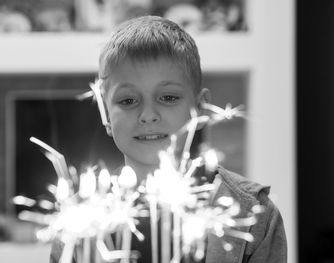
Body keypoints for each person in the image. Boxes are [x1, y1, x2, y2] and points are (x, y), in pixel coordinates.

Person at [50, 15, 287, 263]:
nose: (148, 115)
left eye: (168, 97)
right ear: (106, 115)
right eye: (128, 100)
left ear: (200, 108)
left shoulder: (254, 215)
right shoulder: (77, 221)